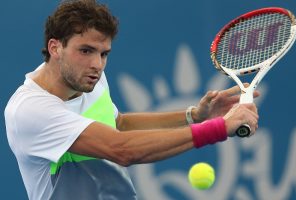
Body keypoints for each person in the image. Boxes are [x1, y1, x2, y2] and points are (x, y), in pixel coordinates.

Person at [4, 0, 259, 200]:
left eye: (104, 54)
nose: (97, 64)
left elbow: (119, 124)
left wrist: (194, 116)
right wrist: (219, 128)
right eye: (85, 51)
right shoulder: (30, 110)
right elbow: (122, 149)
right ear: (55, 47)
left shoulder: (87, 78)